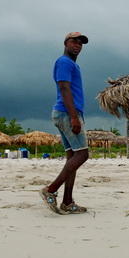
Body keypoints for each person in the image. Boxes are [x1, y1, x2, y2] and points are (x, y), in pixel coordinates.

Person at [40, 32, 90, 214]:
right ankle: (50, 190)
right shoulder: (64, 62)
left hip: (66, 113)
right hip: (67, 113)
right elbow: (63, 87)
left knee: (73, 158)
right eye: (74, 41)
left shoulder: (72, 64)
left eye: (80, 43)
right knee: (82, 155)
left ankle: (67, 202)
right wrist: (74, 117)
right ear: (65, 43)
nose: (77, 45)